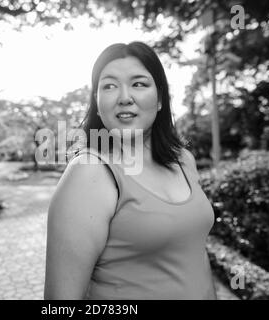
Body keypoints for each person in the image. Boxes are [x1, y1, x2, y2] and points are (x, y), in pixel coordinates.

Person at [44, 41, 217, 300]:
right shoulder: (90, 173)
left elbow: (194, 259)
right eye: (109, 86)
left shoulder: (183, 160)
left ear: (160, 99)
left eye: (139, 83)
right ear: (97, 101)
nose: (125, 97)